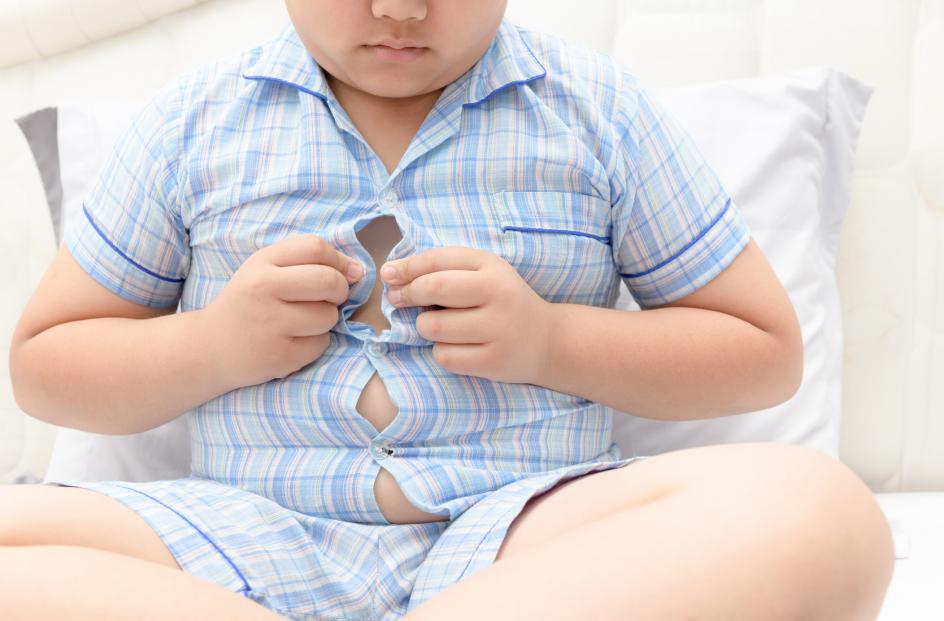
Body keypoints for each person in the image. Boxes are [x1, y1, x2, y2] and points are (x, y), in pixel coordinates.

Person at [5, 1, 895, 619]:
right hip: (239, 540)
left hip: (529, 546)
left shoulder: (601, 113)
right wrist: (214, 345)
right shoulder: (190, 123)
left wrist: (551, 339)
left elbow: (763, 351)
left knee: (822, 514)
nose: (400, 8)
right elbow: (46, 367)